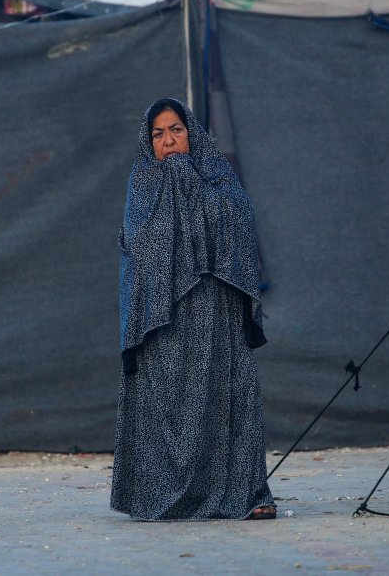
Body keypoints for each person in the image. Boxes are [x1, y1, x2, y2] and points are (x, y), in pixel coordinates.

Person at [110, 97, 276, 521]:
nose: (168, 141)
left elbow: (238, 219)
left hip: (216, 316)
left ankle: (245, 493)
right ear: (148, 143)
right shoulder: (142, 186)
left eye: (177, 131)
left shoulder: (217, 177)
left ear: (192, 134)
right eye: (158, 134)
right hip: (163, 321)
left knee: (230, 399)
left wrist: (188, 181)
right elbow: (141, 246)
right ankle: (165, 495)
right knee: (169, 408)